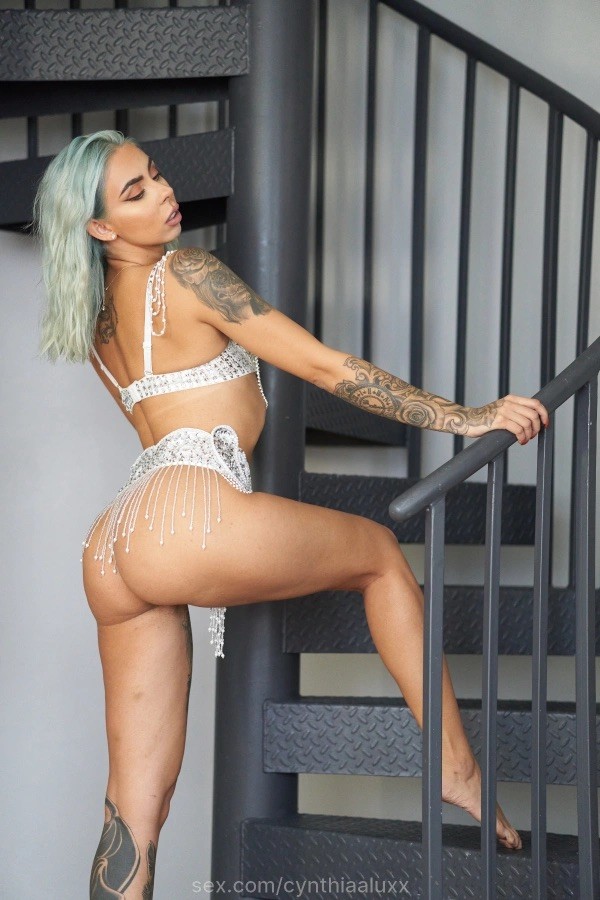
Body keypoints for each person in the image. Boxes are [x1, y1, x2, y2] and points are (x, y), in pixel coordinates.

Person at [32, 130, 548, 899]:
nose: (164, 192)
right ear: (100, 227)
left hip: (113, 546)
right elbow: (319, 364)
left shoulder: (96, 318)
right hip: (184, 513)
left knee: (132, 814)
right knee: (380, 553)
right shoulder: (187, 271)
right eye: (136, 192)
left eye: (157, 173)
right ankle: (456, 768)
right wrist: (467, 418)